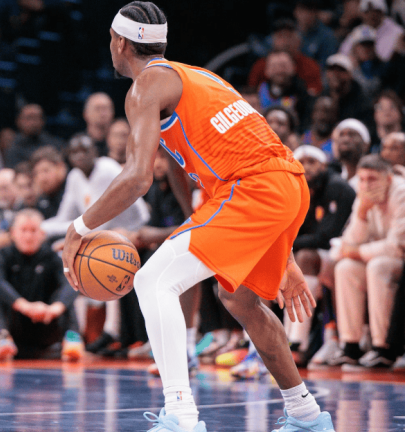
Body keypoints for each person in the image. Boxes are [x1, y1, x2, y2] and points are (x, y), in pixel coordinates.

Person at [61, 3, 335, 431]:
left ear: (119, 43)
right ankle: (307, 416)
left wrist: (78, 228)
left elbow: (137, 178)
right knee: (239, 299)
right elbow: (199, 162)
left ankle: (181, 416)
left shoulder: (145, 86)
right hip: (285, 185)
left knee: (153, 281)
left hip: (253, 188)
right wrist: (284, 256)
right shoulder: (199, 77)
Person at [329, 155, 405, 368]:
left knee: (377, 266)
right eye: (362, 179)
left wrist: (358, 252)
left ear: (388, 179)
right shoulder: (363, 196)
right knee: (345, 268)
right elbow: (349, 242)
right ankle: (350, 346)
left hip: (398, 260)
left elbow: (397, 246)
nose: (366, 185)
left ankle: (383, 347)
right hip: (378, 257)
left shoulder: (401, 193)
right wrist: (362, 213)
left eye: (372, 179)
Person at [288, 145, 355, 361]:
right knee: (282, 261)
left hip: (343, 253)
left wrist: (286, 244)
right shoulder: (298, 189)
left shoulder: (337, 187)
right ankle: (272, 341)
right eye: (302, 162)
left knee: (304, 258)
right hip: (324, 256)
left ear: (323, 165)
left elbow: (327, 237)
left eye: (312, 162)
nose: (306, 167)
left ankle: (298, 342)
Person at [0, 209, 82, 360]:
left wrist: (55, 309)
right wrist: (24, 306)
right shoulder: (1, 256)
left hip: (46, 322)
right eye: (23, 230)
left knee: (68, 287)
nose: (28, 236)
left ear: (42, 234)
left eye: (33, 230)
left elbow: (70, 285)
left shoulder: (52, 257)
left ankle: (72, 338)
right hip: (15, 325)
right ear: (13, 233)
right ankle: (2, 338)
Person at [41, 133, 150, 238]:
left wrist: (44, 230)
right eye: (74, 152)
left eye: (84, 150)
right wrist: (40, 227)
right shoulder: (74, 176)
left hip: (135, 229)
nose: (79, 156)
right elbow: (64, 218)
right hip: (105, 233)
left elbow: (95, 224)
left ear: (95, 152)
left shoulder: (106, 169)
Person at [339, 0, 405, 62]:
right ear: (362, 14)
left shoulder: (397, 31)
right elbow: (342, 54)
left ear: (382, 12)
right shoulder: (360, 30)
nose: (371, 15)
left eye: (375, 11)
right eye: (367, 12)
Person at [4, 103, 65, 168]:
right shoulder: (13, 148)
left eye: (37, 117)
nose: (33, 122)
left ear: (43, 121)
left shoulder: (55, 144)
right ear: (19, 121)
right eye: (29, 118)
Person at [31, 146, 68, 219]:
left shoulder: (73, 188)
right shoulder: (41, 200)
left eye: (46, 170)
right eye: (36, 173)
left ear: (61, 168)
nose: (42, 178)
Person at [332, 118, 371, 189]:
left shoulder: (373, 179)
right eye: (341, 135)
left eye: (351, 135)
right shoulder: (333, 180)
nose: (345, 139)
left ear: (366, 145)